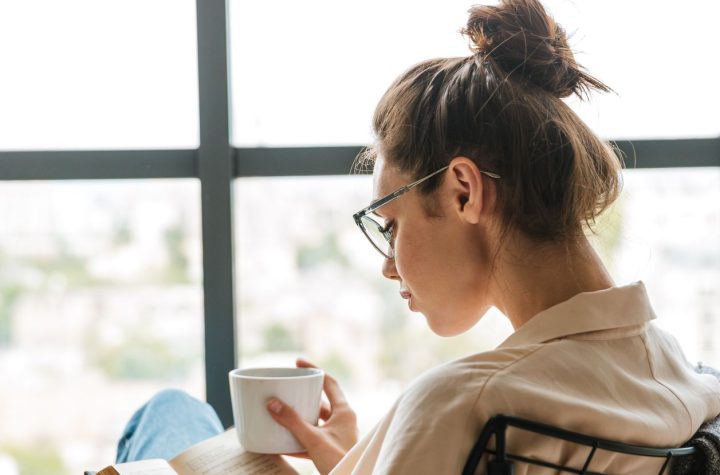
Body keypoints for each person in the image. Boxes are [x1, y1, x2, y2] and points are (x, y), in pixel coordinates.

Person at [115, 0, 720, 473]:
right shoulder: (685, 379)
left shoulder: (465, 401)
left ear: (464, 191)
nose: (388, 266)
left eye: (392, 224)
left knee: (169, 413)